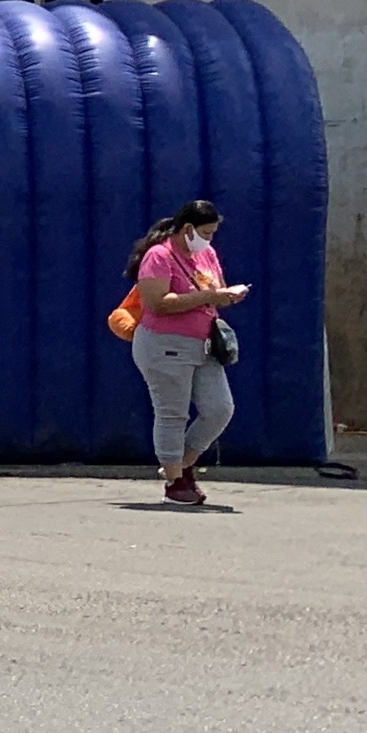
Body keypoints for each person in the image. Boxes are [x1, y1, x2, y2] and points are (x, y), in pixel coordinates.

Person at [129, 198, 249, 504]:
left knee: (219, 408)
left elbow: (215, 292)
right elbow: (157, 303)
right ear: (187, 229)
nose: (209, 241)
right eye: (206, 233)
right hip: (164, 344)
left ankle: (181, 464)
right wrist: (207, 296)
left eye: (212, 234)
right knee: (172, 413)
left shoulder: (206, 254)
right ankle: (175, 482)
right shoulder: (159, 256)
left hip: (203, 343)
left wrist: (227, 296)